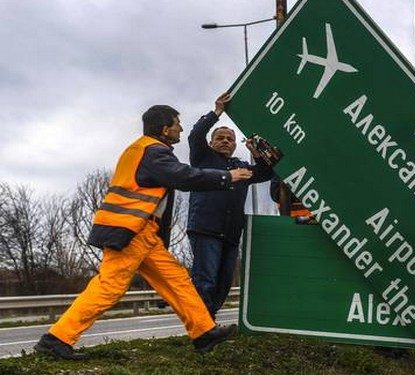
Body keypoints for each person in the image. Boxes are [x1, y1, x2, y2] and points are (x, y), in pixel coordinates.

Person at [34, 97, 242, 360]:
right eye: (177, 124)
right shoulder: (153, 151)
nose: (180, 129)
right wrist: (227, 176)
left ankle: (203, 332)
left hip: (144, 233)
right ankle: (57, 339)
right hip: (130, 230)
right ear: (165, 129)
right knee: (110, 286)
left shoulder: (146, 150)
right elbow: (183, 176)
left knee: (177, 281)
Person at [187, 93, 273, 320]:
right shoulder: (203, 158)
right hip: (206, 229)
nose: (225, 141)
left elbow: (266, 172)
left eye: (230, 139)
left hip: (232, 233)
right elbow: (195, 135)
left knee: (224, 282)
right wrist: (216, 112)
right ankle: (201, 327)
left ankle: (208, 321)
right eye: (220, 137)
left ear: (236, 145)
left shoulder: (242, 167)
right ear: (211, 142)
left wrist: (258, 154)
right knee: (205, 279)